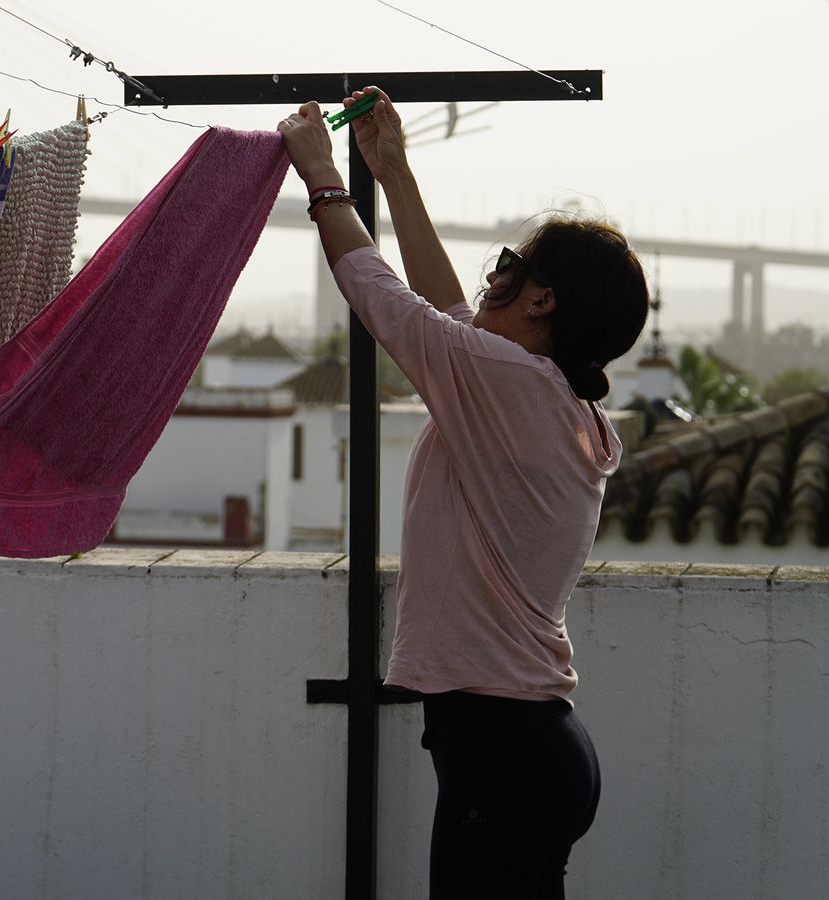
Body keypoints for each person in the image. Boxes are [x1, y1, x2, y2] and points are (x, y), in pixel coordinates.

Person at [278, 89, 649, 899]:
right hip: (535, 744)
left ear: (542, 299)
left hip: (499, 745)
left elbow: (390, 305)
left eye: (509, 267)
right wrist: (393, 172)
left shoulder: (509, 384)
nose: (492, 277)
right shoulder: (547, 394)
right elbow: (447, 316)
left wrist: (324, 180)